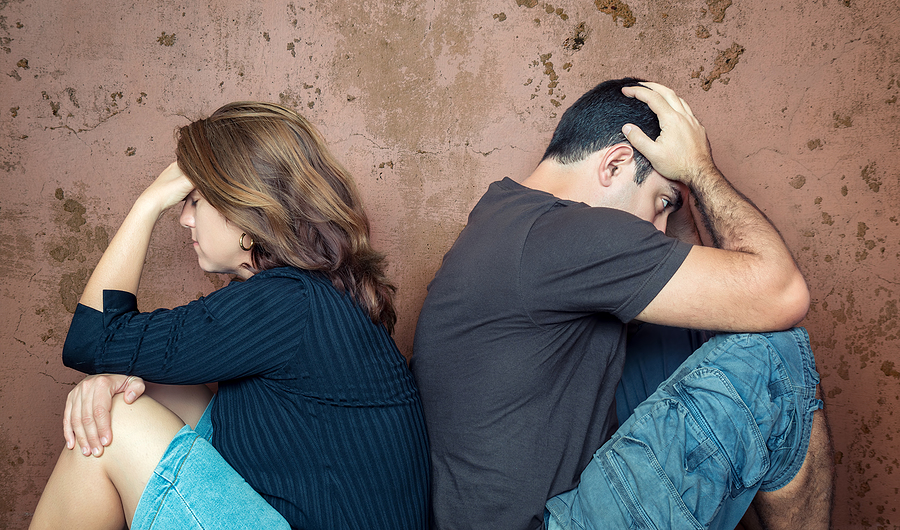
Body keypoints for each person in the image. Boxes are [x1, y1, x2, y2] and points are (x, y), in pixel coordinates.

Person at [410, 79, 834, 530]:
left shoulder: (513, 220)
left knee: (688, 340)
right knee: (773, 360)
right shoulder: (568, 235)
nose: (659, 229)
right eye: (661, 203)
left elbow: (722, 307)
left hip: (543, 508)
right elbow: (782, 295)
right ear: (615, 164)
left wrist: (679, 189)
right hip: (547, 525)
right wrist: (698, 169)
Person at [30, 102, 430, 530]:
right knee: (144, 393)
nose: (184, 219)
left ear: (246, 211)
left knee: (113, 427)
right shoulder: (314, 292)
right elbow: (111, 352)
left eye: (194, 201)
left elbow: (93, 340)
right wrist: (116, 377)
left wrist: (148, 204)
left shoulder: (284, 302)